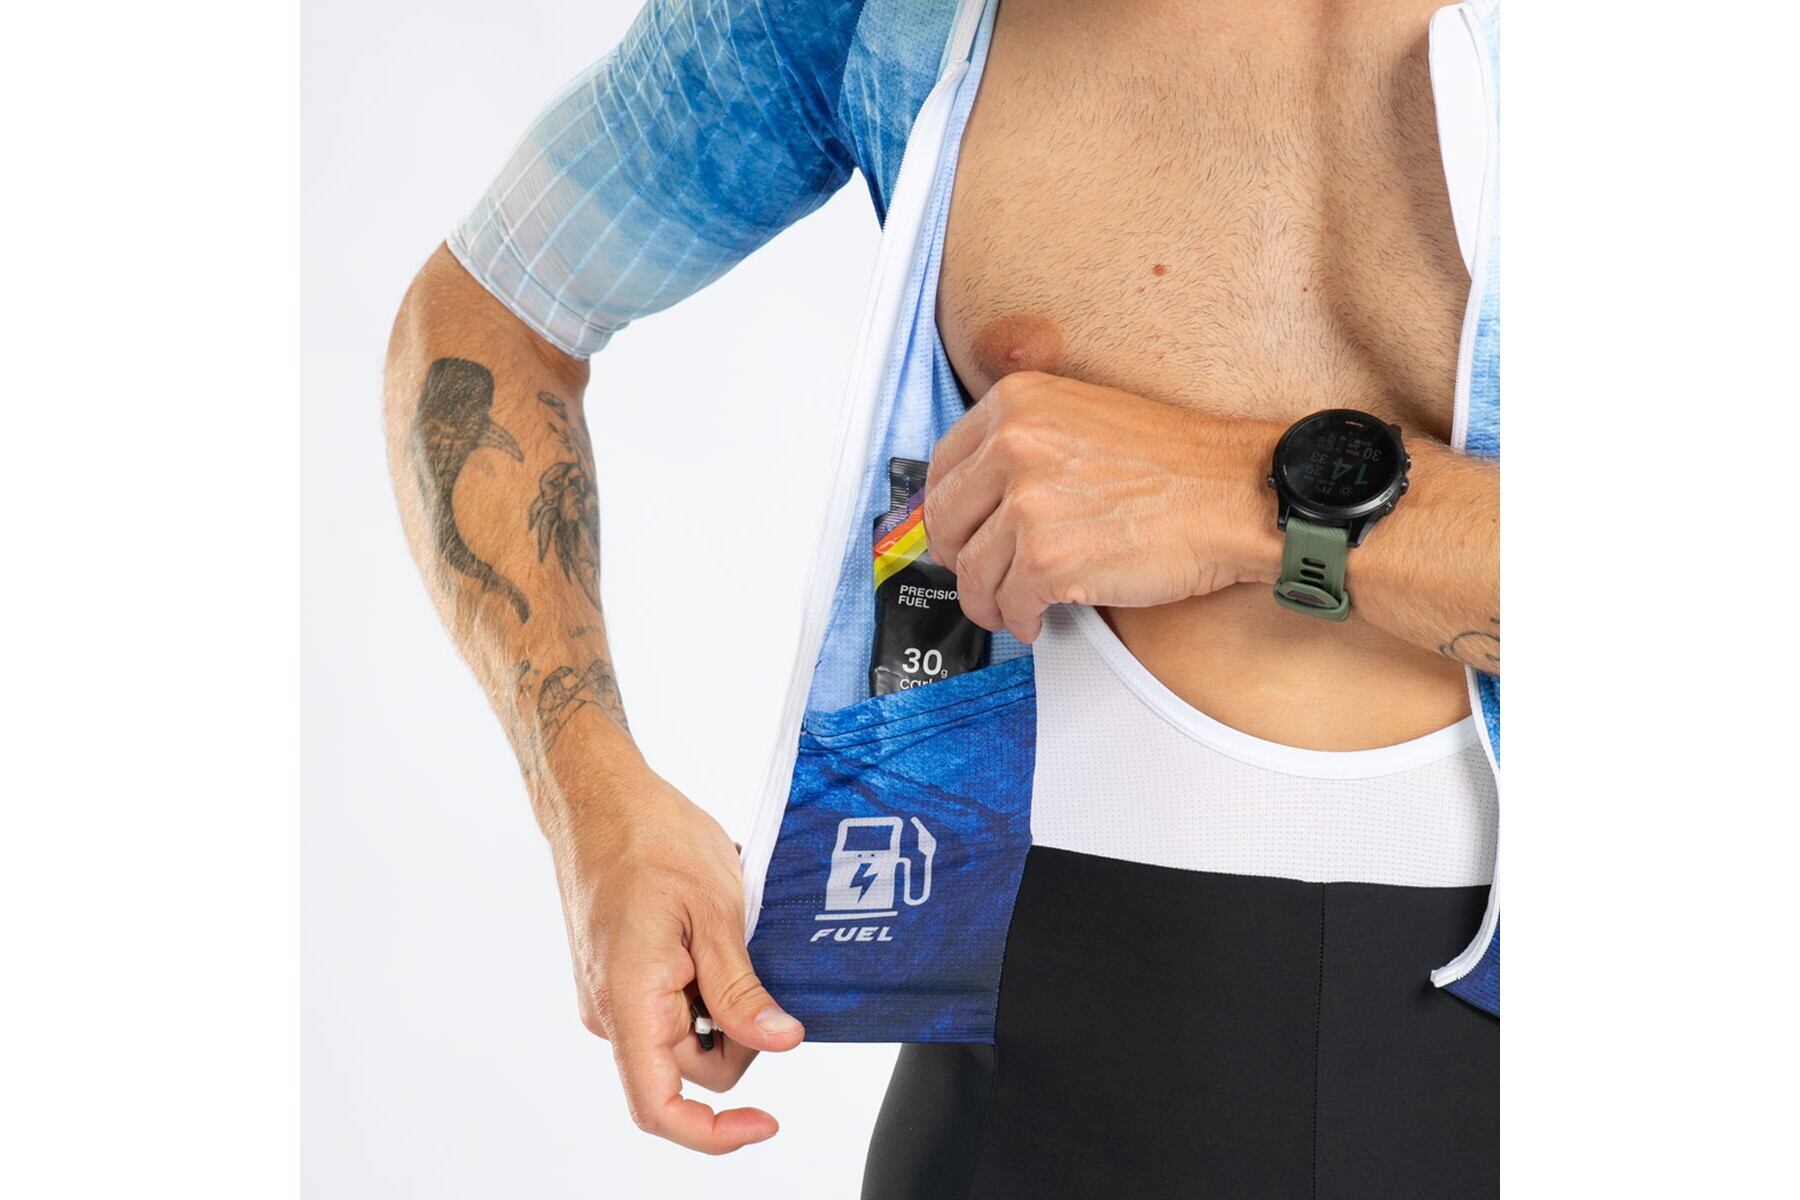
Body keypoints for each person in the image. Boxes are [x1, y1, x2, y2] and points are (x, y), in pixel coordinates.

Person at [382, 0, 1501, 1194]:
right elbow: (488, 312)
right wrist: (592, 799)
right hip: (1037, 1034)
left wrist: (1242, 495)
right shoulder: (887, 17)